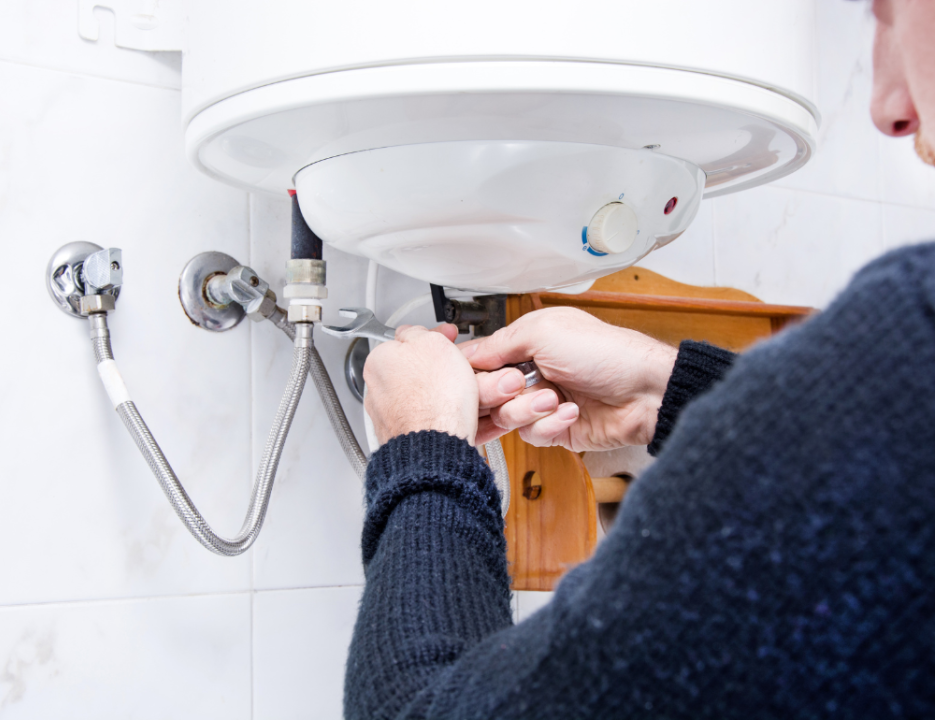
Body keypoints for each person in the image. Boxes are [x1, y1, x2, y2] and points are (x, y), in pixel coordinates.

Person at [345, 0, 935, 716]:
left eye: (889, 12)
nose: (886, 106)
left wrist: (423, 453)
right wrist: (669, 389)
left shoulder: (912, 328)